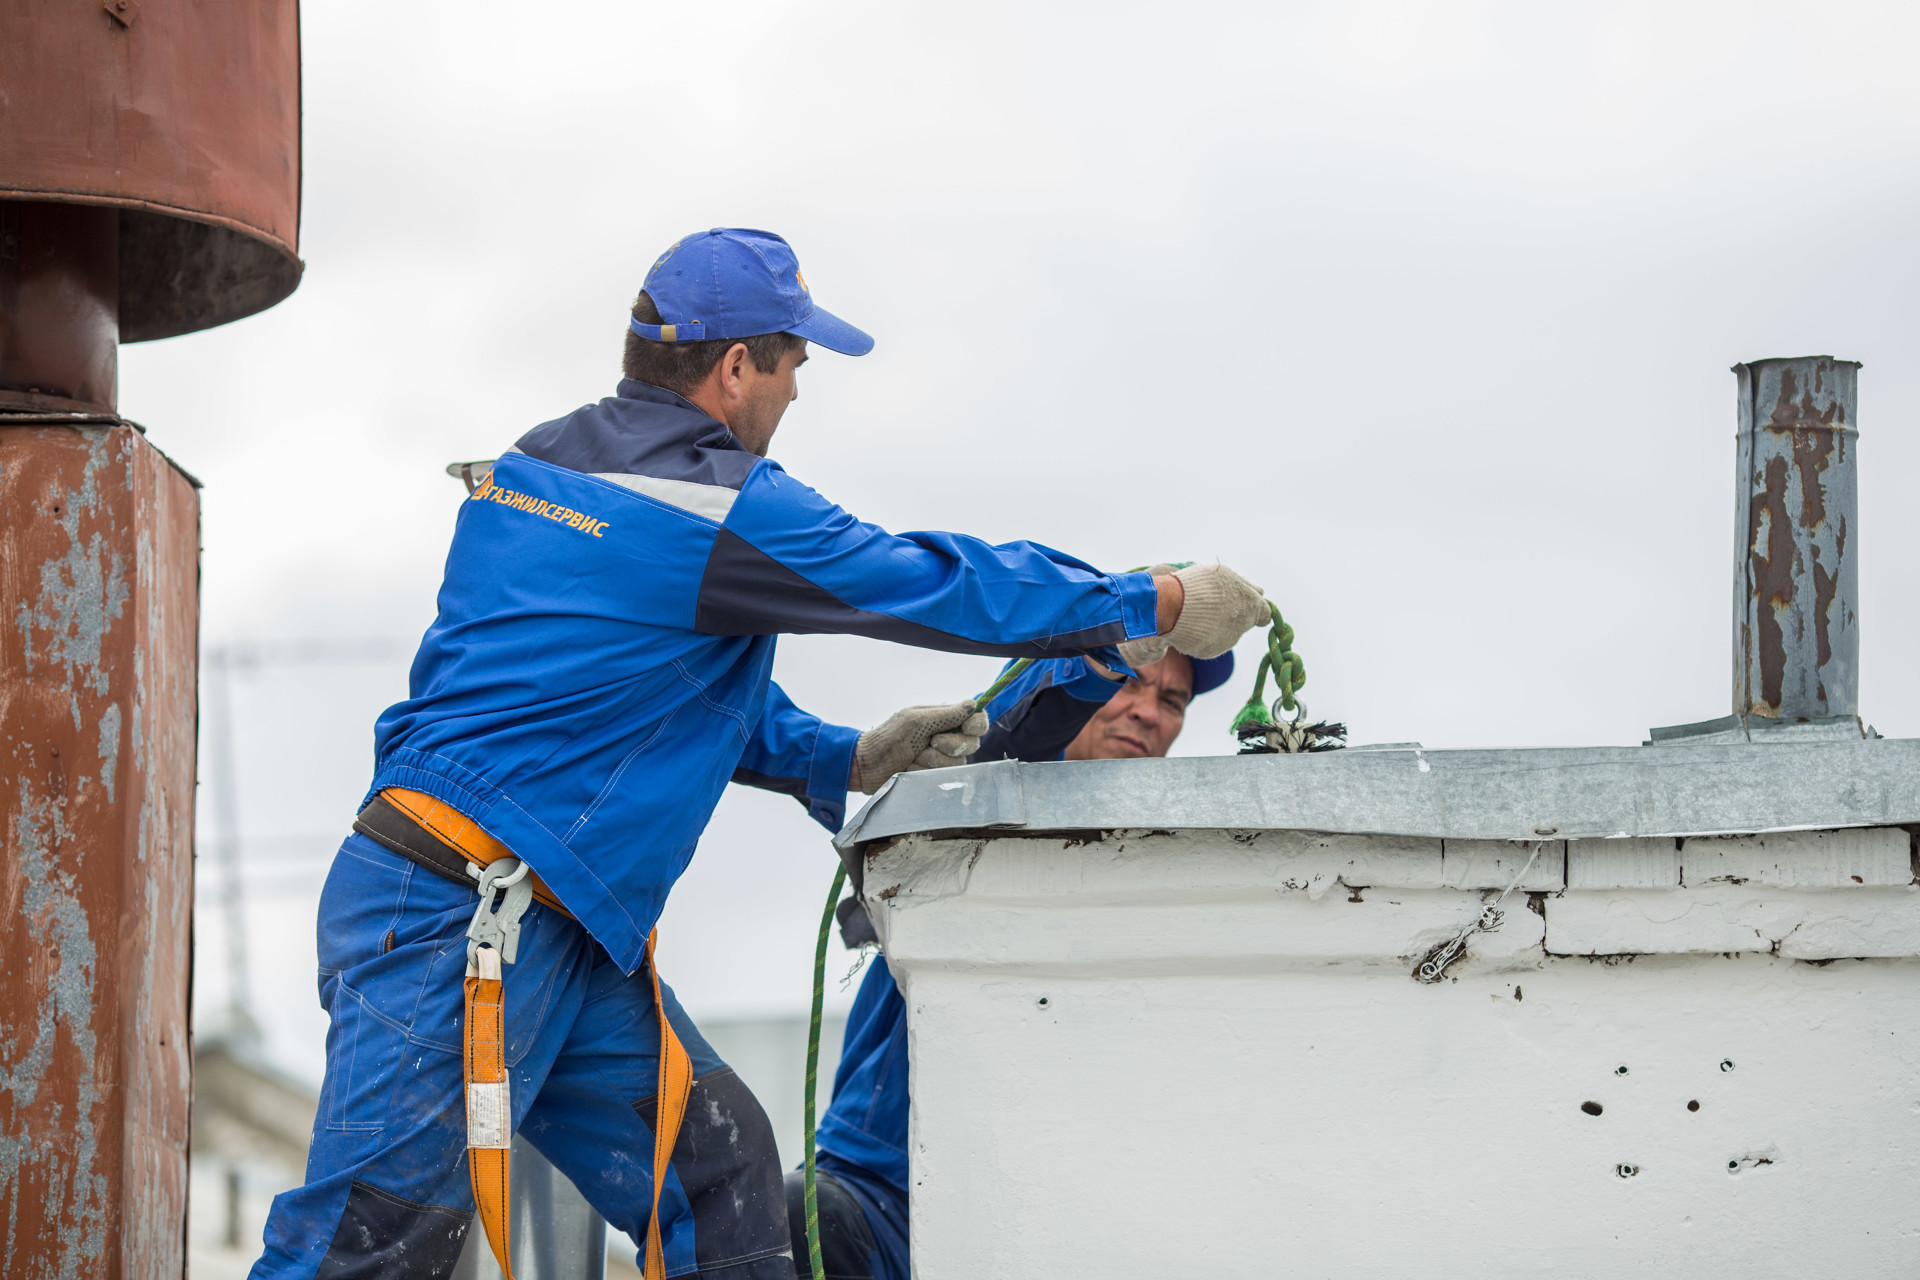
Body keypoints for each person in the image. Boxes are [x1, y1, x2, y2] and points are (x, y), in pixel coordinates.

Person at [249, 227, 1270, 1280]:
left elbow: (636, 689)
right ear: (738, 367)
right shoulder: (715, 502)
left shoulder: (539, 466)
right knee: (367, 1241)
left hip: (551, 922)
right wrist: (1155, 600)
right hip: (461, 912)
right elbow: (926, 581)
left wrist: (847, 757)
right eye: (795, 367)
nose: (795, 395)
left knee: (723, 1184)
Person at [786, 643, 1236, 1280]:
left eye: (1171, 700)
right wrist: (1122, 622)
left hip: (1035, 1218)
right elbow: (1003, 734)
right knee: (794, 1221)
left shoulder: (1176, 878)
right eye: (1128, 682)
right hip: (879, 1193)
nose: (1146, 713)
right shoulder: (979, 796)